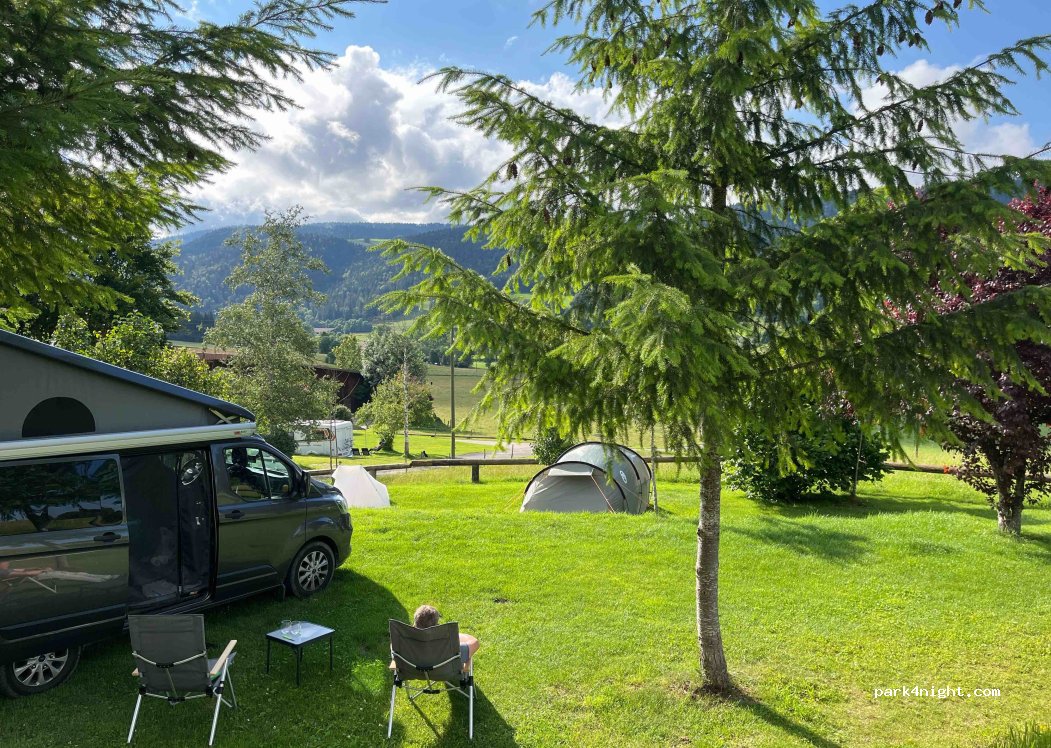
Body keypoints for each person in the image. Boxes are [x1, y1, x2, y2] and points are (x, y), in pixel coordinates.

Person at [413, 604, 479, 665]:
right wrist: (453, 636)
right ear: (437, 626)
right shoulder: (450, 648)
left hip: (414, 671)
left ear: (414, 625)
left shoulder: (408, 645)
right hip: (445, 672)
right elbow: (475, 642)